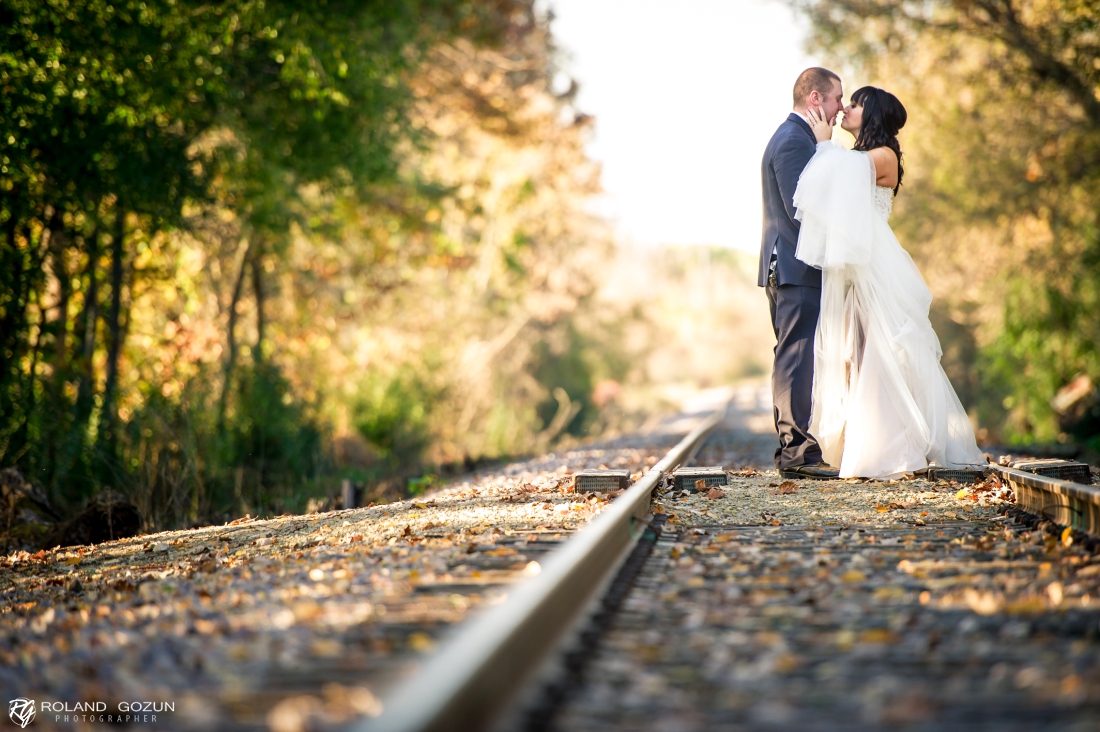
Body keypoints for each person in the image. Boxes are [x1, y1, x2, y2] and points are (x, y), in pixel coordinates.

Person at [794, 86, 986, 479]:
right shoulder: (861, 157)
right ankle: (874, 444)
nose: (846, 107)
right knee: (862, 354)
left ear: (874, 113)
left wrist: (824, 145)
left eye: (856, 103)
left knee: (882, 351)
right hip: (862, 264)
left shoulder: (882, 157)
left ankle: (891, 449)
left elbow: (836, 180)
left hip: (876, 265)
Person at [759, 68, 843, 480]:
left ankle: (795, 450)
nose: (840, 107)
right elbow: (801, 209)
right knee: (794, 356)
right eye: (835, 99)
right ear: (815, 99)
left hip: (794, 265)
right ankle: (796, 454)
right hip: (794, 265)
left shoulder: (796, 137)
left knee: (795, 355)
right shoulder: (794, 140)